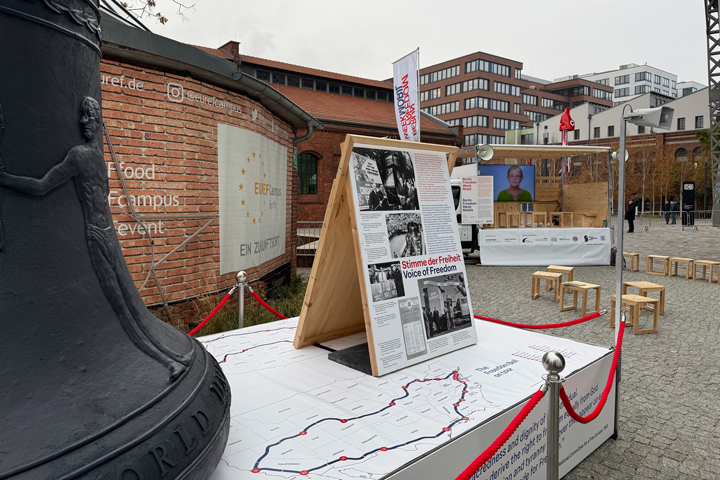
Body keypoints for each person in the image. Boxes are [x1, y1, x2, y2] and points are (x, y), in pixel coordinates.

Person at [0, 96, 190, 381]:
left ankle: (171, 355)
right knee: (121, 307)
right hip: (98, 236)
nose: (83, 121)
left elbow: (48, 188)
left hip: (107, 234)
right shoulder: (79, 156)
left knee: (130, 302)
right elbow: (42, 186)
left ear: (98, 120)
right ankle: (166, 361)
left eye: (88, 116)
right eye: (82, 116)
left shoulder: (96, 156)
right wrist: (5, 179)